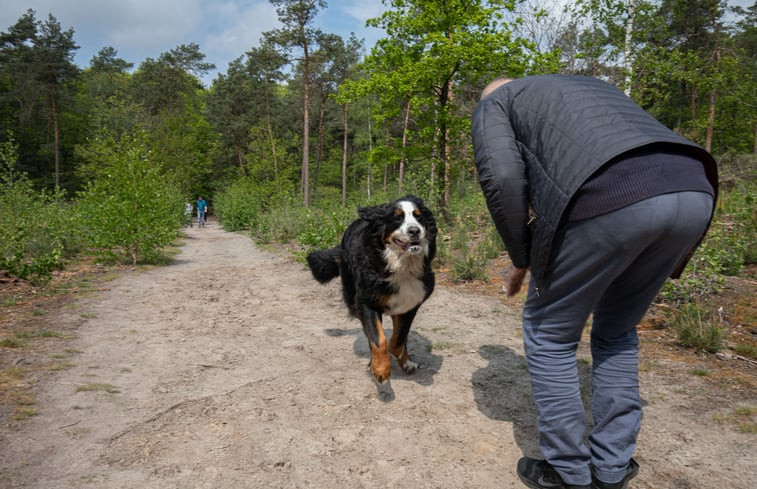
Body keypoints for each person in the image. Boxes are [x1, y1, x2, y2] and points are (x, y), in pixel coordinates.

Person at [471, 75, 717, 489]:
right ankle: (612, 468)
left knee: (550, 334)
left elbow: (505, 180)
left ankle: (569, 473)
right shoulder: (584, 86)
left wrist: (521, 253)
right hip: (695, 186)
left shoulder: (496, 101)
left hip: (609, 192)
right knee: (617, 331)